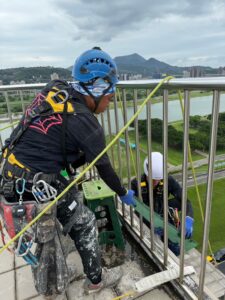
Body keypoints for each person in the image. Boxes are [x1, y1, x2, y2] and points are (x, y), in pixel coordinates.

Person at [0, 47, 136, 295]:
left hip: (14, 172)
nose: (111, 101)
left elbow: (52, 138)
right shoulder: (85, 123)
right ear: (98, 88)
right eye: (111, 95)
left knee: (54, 228)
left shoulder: (55, 89)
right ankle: (94, 281)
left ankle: (60, 275)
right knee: (81, 223)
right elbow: (103, 166)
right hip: (33, 184)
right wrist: (123, 192)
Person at [131, 152, 194, 239]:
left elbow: (185, 201)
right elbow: (134, 207)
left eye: (159, 179)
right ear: (146, 173)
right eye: (153, 179)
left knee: (177, 238)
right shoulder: (136, 183)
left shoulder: (168, 180)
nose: (156, 182)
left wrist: (189, 218)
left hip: (161, 213)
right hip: (144, 216)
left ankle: (175, 225)